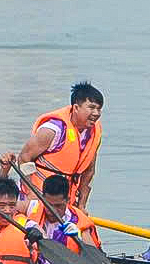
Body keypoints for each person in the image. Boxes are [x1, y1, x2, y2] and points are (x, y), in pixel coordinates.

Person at [19, 80, 105, 216]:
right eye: (92, 107)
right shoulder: (53, 130)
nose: (96, 113)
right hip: (38, 196)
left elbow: (89, 172)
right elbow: (24, 157)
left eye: (99, 109)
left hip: (64, 201)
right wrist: (30, 194)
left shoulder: (94, 134)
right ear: (76, 107)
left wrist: (81, 206)